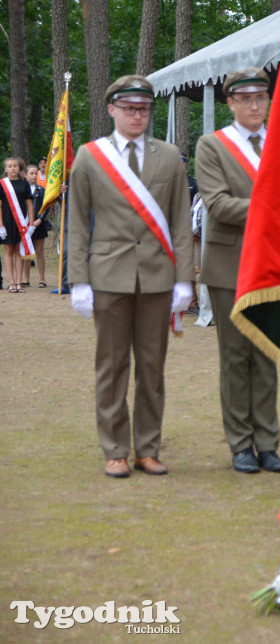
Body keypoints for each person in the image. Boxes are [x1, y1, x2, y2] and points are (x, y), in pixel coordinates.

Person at [68, 74, 193, 478]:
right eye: (129, 109)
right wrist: (79, 280)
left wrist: (184, 279)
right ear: (111, 110)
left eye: (143, 109)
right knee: (112, 365)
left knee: (153, 367)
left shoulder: (170, 156)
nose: (137, 115)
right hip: (108, 276)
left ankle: (148, 448)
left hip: (158, 277)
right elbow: (77, 224)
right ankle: (115, 448)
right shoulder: (89, 156)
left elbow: (179, 221)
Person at [195, 67, 280, 474]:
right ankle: (240, 444)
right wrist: (273, 206)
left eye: (260, 98)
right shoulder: (212, 145)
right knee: (235, 356)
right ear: (230, 102)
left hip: (274, 263)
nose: (254, 105)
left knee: (267, 354)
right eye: (244, 99)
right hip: (229, 264)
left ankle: (267, 442)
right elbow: (217, 204)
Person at [1, 157, 36, 293]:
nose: (13, 168)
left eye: (15, 165)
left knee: (19, 252)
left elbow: (29, 204)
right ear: (5, 169)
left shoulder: (24, 184)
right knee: (9, 251)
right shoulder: (2, 184)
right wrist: (1, 226)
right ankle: (11, 282)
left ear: (19, 168)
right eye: (9, 166)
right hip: (8, 221)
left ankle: (19, 283)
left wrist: (31, 224)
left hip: (22, 222)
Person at [26, 164, 52, 288]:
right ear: (25, 175)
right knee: (26, 252)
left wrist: (39, 219)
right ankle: (25, 279)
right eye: (31, 173)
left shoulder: (41, 190)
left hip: (38, 224)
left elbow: (45, 206)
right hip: (25, 225)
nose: (33, 176)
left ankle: (42, 279)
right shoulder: (22, 190)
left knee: (39, 251)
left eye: (35, 173)